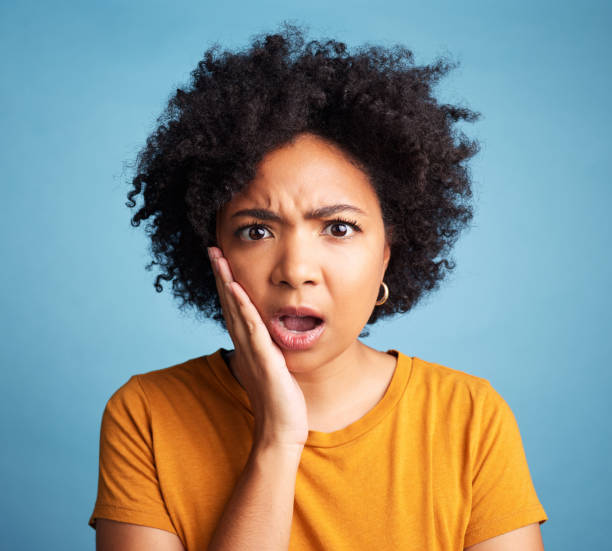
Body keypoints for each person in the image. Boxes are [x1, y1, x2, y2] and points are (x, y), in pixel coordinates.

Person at [89, 22, 548, 550]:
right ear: (212, 250)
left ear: (386, 254)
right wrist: (277, 441)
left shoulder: (469, 416)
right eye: (256, 231)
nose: (296, 269)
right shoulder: (147, 414)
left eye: (338, 228)